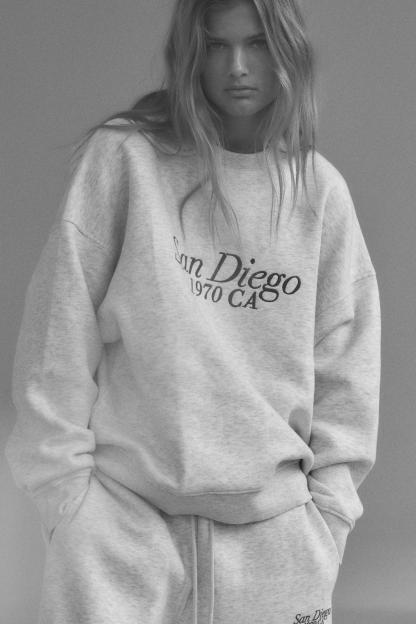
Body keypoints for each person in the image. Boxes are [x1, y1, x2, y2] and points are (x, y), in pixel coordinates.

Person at [5, 0, 381, 623]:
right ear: (189, 54)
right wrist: (64, 498)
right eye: (215, 45)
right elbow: (58, 333)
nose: (237, 66)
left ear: (289, 51)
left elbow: (348, 372)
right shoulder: (126, 159)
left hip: (278, 549)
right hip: (118, 534)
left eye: (257, 43)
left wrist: (329, 518)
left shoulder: (320, 194)